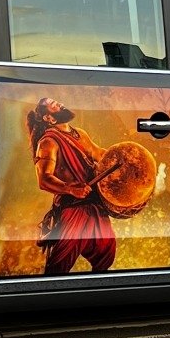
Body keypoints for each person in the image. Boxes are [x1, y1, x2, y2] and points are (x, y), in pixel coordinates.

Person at [27, 97, 116, 274]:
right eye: (53, 105)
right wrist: (71, 189)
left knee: (106, 250)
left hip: (93, 203)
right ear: (49, 119)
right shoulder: (47, 143)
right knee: (60, 262)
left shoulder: (80, 134)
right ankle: (49, 294)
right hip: (72, 207)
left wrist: (119, 157)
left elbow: (98, 153)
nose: (59, 104)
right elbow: (44, 179)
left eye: (57, 102)